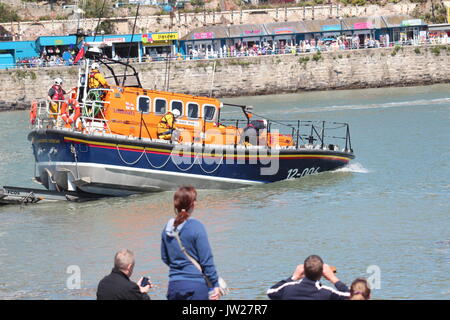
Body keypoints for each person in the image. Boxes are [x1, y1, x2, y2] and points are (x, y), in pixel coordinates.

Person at [161, 186, 222, 300]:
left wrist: (179, 267)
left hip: (174, 286)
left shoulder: (167, 228)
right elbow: (206, 260)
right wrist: (215, 284)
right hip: (196, 286)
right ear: (193, 204)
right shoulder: (196, 226)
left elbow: (165, 258)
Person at [267, 254, 350, 300]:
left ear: (303, 271)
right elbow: (351, 296)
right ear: (322, 273)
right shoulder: (326, 293)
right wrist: (333, 278)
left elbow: (270, 292)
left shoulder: (287, 289)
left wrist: (293, 277)